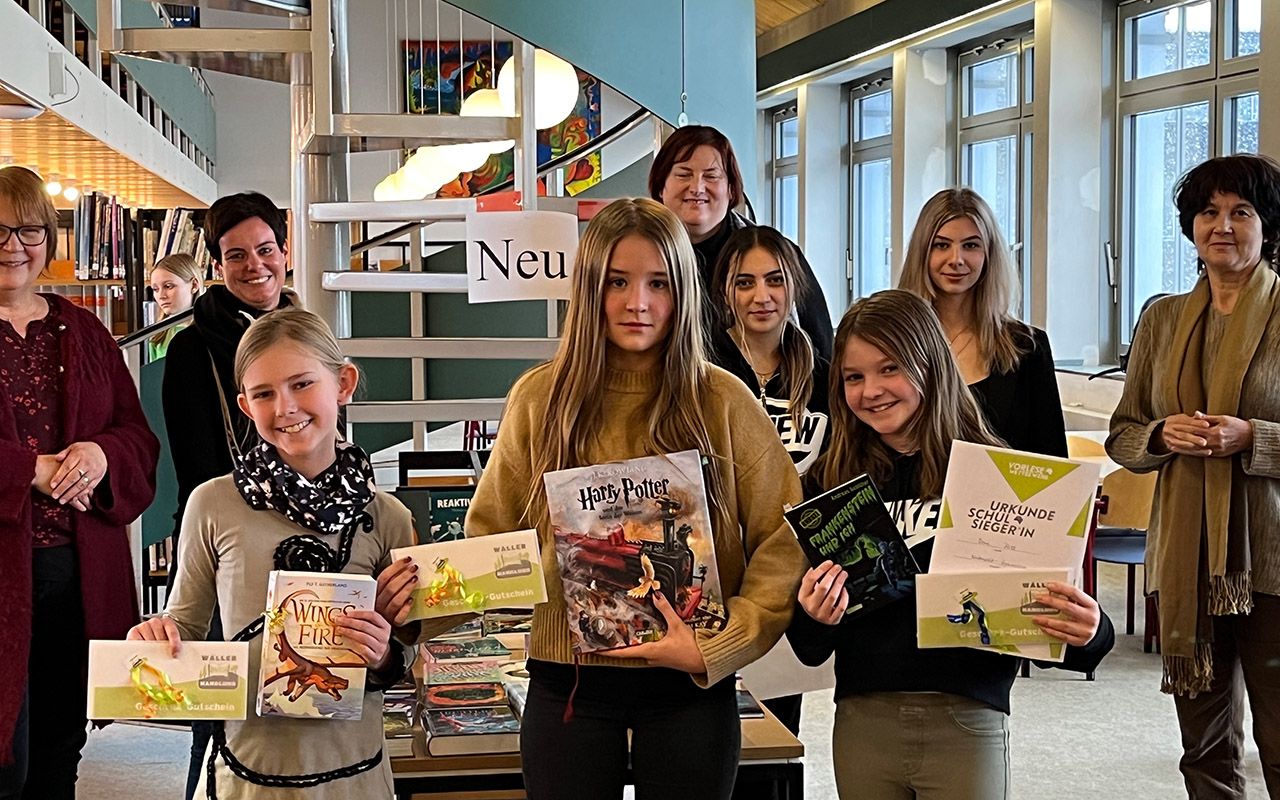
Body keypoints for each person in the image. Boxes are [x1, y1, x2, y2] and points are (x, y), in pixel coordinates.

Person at [417, 197, 808, 799]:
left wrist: (719, 645)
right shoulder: (540, 398)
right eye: (618, 283)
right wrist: (418, 598)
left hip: (689, 686)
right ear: (590, 289)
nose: (638, 303)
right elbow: (490, 540)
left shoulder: (723, 401)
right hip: (567, 683)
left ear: (683, 291)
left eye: (659, 283)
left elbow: (784, 541)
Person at [790, 290, 1113, 800]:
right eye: (853, 377)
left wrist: (1090, 631)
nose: (871, 390)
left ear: (930, 364)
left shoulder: (999, 473)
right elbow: (808, 648)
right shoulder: (828, 486)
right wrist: (814, 613)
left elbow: (1069, 634)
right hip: (862, 720)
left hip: (969, 717)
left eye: (889, 368)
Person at [128, 307, 415, 799]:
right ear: (245, 405)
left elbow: (406, 653)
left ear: (343, 384)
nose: (285, 407)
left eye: (302, 384)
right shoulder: (213, 503)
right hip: (247, 774)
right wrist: (157, 635)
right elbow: (186, 625)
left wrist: (384, 653)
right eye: (264, 393)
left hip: (355, 776)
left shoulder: (388, 517)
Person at [1106, 153, 1280, 798]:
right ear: (1191, 225)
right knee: (1203, 749)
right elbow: (1124, 435)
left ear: (1269, 227)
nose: (1223, 225)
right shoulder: (1160, 320)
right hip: (1186, 556)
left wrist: (1252, 438)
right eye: (1209, 211)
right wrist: (1160, 434)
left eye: (1242, 211)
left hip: (1272, 561)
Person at [0, 166, 160, 799]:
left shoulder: (85, 330)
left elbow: (138, 439)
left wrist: (99, 450)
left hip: (77, 571)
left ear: (51, 237)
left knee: (64, 743)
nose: (15, 245)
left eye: (31, 229)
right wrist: (26, 469)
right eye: (0, 229)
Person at [159, 191, 293, 799]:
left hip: (311, 537)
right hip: (235, 547)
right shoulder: (193, 349)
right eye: (236, 255)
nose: (255, 266)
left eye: (265, 249)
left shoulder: (302, 331)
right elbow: (197, 474)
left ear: (284, 252)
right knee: (227, 705)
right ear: (216, 265)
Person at [708, 224, 829, 743]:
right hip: (715, 577)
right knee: (712, 737)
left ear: (793, 287)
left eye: (775, 280)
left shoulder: (823, 375)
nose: (762, 296)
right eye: (745, 282)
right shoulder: (701, 371)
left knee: (776, 739)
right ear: (725, 293)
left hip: (793, 576)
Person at [899, 188, 1067, 458]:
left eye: (971, 245)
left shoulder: (1027, 347)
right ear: (922, 253)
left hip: (1004, 500)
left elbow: (1052, 461)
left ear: (989, 253)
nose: (957, 260)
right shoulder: (893, 342)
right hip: (910, 500)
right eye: (941, 245)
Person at [648, 125, 834, 361]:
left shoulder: (778, 255)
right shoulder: (639, 256)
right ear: (661, 186)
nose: (697, 187)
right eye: (684, 174)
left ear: (730, 189)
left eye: (711, 175)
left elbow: (820, 348)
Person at [147, 253, 204, 360]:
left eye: (168, 286)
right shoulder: (157, 336)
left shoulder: (210, 331)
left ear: (194, 285)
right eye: (155, 289)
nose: (161, 296)